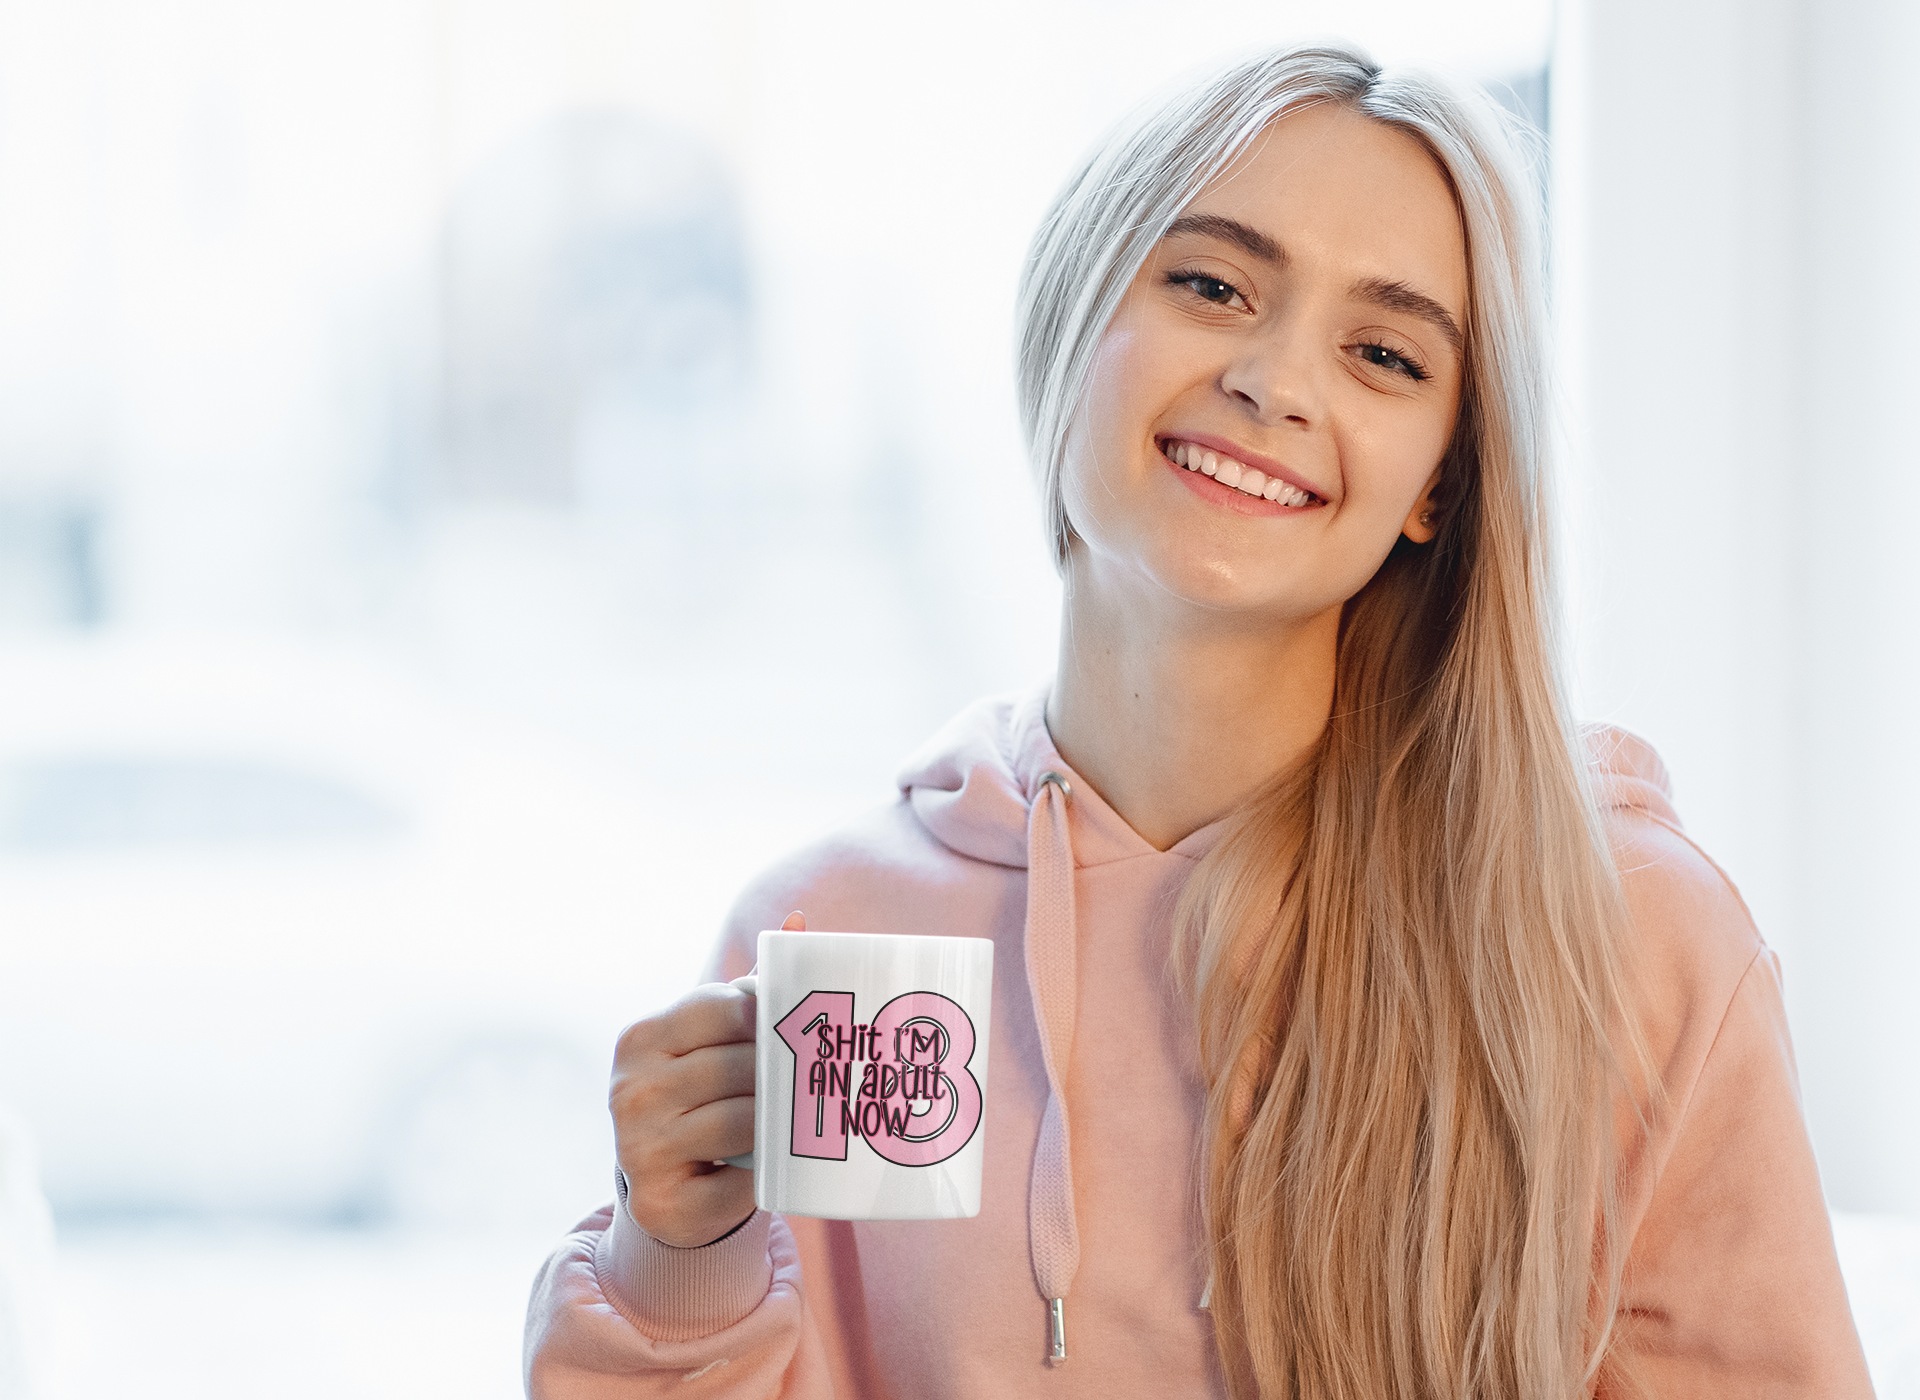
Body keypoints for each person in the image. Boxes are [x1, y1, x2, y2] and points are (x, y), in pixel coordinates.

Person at [524, 43, 1871, 1399]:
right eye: (1213, 284)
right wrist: (680, 1258)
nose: (1278, 382)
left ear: (1438, 490)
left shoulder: (1628, 940)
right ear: (1073, 318)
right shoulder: (829, 932)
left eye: (1386, 353)